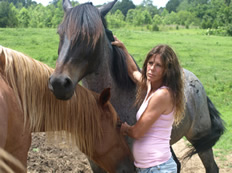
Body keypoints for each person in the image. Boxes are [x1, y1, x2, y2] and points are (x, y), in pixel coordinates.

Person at [111, 36, 185, 173]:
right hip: (149, 168)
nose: (151, 68)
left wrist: (124, 128)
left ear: (167, 70)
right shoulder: (151, 87)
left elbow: (137, 132)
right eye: (150, 63)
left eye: (158, 65)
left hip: (158, 168)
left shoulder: (162, 95)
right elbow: (133, 72)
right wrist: (124, 50)